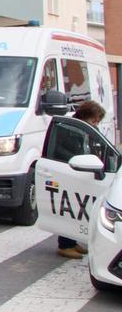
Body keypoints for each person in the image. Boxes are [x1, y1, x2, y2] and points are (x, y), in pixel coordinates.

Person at [57, 100, 106, 259]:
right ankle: (65, 245)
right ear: (86, 116)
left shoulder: (81, 128)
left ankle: (71, 242)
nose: (95, 124)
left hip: (78, 172)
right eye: (94, 120)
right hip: (69, 173)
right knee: (68, 210)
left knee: (77, 210)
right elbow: (64, 151)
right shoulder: (70, 129)